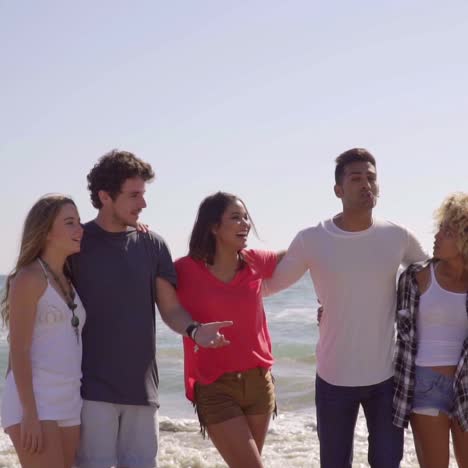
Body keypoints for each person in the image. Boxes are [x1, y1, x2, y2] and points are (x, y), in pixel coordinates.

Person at [262, 148, 428, 468]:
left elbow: (434, 277)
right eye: (356, 178)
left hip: (385, 378)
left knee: (387, 462)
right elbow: (270, 286)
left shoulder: (397, 236)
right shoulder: (313, 239)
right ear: (338, 190)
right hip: (334, 377)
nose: (366, 184)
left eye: (371, 178)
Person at [70, 150, 232, 468]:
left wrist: (195, 330)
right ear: (105, 196)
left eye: (143, 194)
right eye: (134, 195)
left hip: (143, 390)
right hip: (89, 389)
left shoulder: (152, 244)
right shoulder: (76, 243)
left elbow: (169, 307)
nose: (143, 204)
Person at [175, 192, 282, 468]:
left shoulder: (255, 261)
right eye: (235, 217)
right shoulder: (184, 270)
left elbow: (303, 256)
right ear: (213, 226)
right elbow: (158, 295)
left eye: (246, 217)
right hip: (215, 385)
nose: (245, 223)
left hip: (259, 382)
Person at [0, 194, 85, 468]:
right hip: (35, 401)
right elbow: (19, 350)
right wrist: (30, 414)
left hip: (69, 398)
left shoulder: (68, 278)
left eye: (79, 222)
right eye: (70, 223)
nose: (79, 229)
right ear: (46, 231)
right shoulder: (29, 278)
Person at [393, 192, 468, 468]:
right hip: (426, 384)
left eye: (447, 231)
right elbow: (386, 316)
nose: (437, 235)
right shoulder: (416, 277)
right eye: (439, 228)